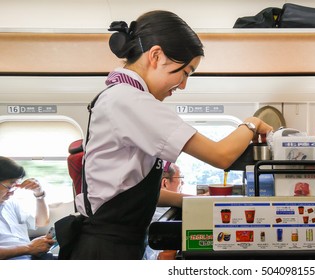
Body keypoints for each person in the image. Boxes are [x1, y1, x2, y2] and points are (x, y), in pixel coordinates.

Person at [64, 10, 272, 260]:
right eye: (185, 72)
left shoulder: (120, 97)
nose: (183, 84)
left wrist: (192, 201)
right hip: (105, 250)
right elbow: (221, 156)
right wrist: (251, 123)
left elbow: (128, 189)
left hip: (113, 244)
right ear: (156, 55)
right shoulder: (129, 100)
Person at [0, 156, 55, 260]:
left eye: (15, 187)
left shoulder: (11, 203)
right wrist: (29, 248)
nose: (12, 193)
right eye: (9, 187)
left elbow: (41, 222)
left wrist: (39, 194)